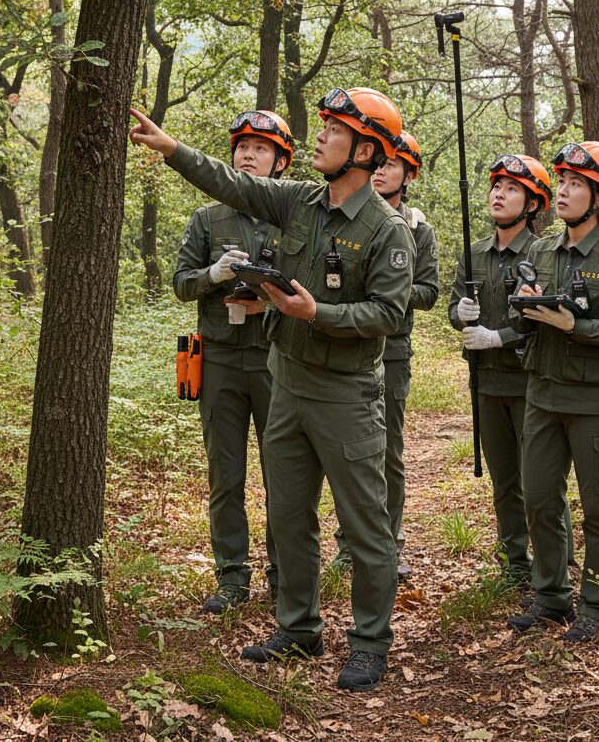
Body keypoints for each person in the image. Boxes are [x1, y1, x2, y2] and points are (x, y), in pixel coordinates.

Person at [130, 86, 415, 693]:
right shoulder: (300, 202)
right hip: (286, 383)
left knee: (366, 525)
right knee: (289, 515)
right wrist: (173, 149)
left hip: (345, 394)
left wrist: (318, 314)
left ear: (364, 149)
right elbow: (235, 186)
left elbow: (388, 315)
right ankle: (299, 628)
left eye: (334, 130)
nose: (320, 136)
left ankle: (369, 641)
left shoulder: (388, 230)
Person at [507, 142, 599, 644]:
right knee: (540, 497)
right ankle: (551, 594)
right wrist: (527, 307)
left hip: (594, 402)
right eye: (561, 182)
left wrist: (574, 325)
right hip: (542, 395)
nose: (562, 192)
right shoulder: (540, 249)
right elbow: (524, 307)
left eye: (576, 184)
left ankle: (597, 603)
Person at [173, 110, 292, 614]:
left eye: (261, 148)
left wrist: (270, 294)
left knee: (283, 474)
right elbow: (181, 285)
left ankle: (285, 574)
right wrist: (215, 275)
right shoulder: (208, 218)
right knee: (226, 474)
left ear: (280, 162)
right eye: (242, 146)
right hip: (219, 356)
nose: (249, 154)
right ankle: (231, 577)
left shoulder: (292, 215)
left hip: (273, 357)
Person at [331, 131, 439, 582]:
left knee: (386, 452)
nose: (381, 171)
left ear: (408, 173)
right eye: (377, 163)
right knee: (344, 453)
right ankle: (347, 545)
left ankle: (388, 544)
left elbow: (429, 291)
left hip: (391, 349)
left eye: (391, 165)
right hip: (345, 345)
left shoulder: (417, 228)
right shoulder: (342, 215)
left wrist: (387, 290)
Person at [447, 155, 552, 585]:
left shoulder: (544, 253)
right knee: (505, 480)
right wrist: (461, 312)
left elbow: (544, 315)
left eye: (511, 189)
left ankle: (550, 567)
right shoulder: (474, 254)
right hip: (486, 382)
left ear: (531, 204)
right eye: (496, 187)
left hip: (531, 381)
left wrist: (500, 336)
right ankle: (516, 564)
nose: (498, 194)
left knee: (539, 483)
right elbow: (454, 308)